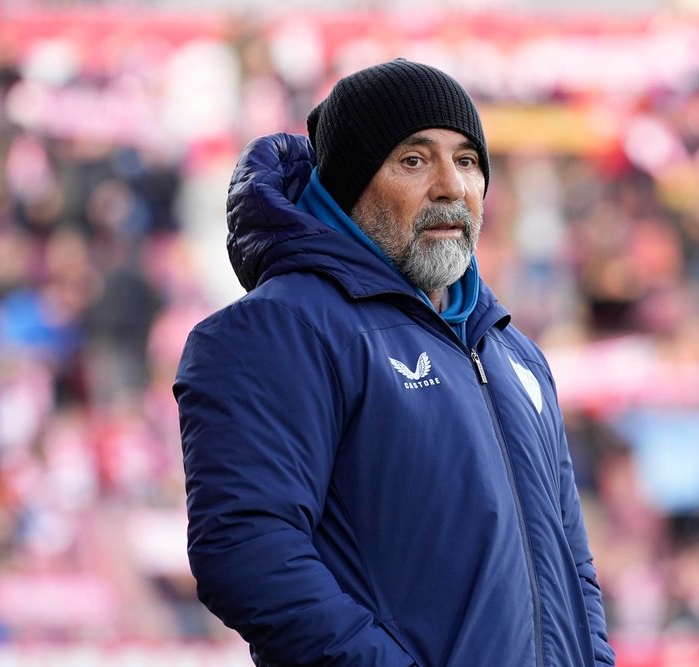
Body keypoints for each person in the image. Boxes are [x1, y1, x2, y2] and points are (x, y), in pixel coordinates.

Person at [174, 58, 615, 667]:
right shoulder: (280, 330)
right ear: (350, 186)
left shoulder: (515, 351)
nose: (450, 187)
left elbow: (573, 562)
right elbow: (248, 551)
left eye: (466, 161)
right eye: (413, 160)